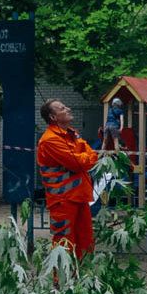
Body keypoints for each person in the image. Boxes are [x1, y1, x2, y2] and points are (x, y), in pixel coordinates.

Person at [37, 99, 98, 258]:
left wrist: (87, 158)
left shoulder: (71, 134)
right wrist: (88, 158)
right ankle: (62, 281)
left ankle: (83, 278)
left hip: (79, 196)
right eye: (62, 108)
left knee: (85, 240)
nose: (68, 108)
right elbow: (79, 163)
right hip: (63, 200)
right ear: (53, 117)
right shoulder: (50, 139)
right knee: (64, 241)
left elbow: (89, 155)